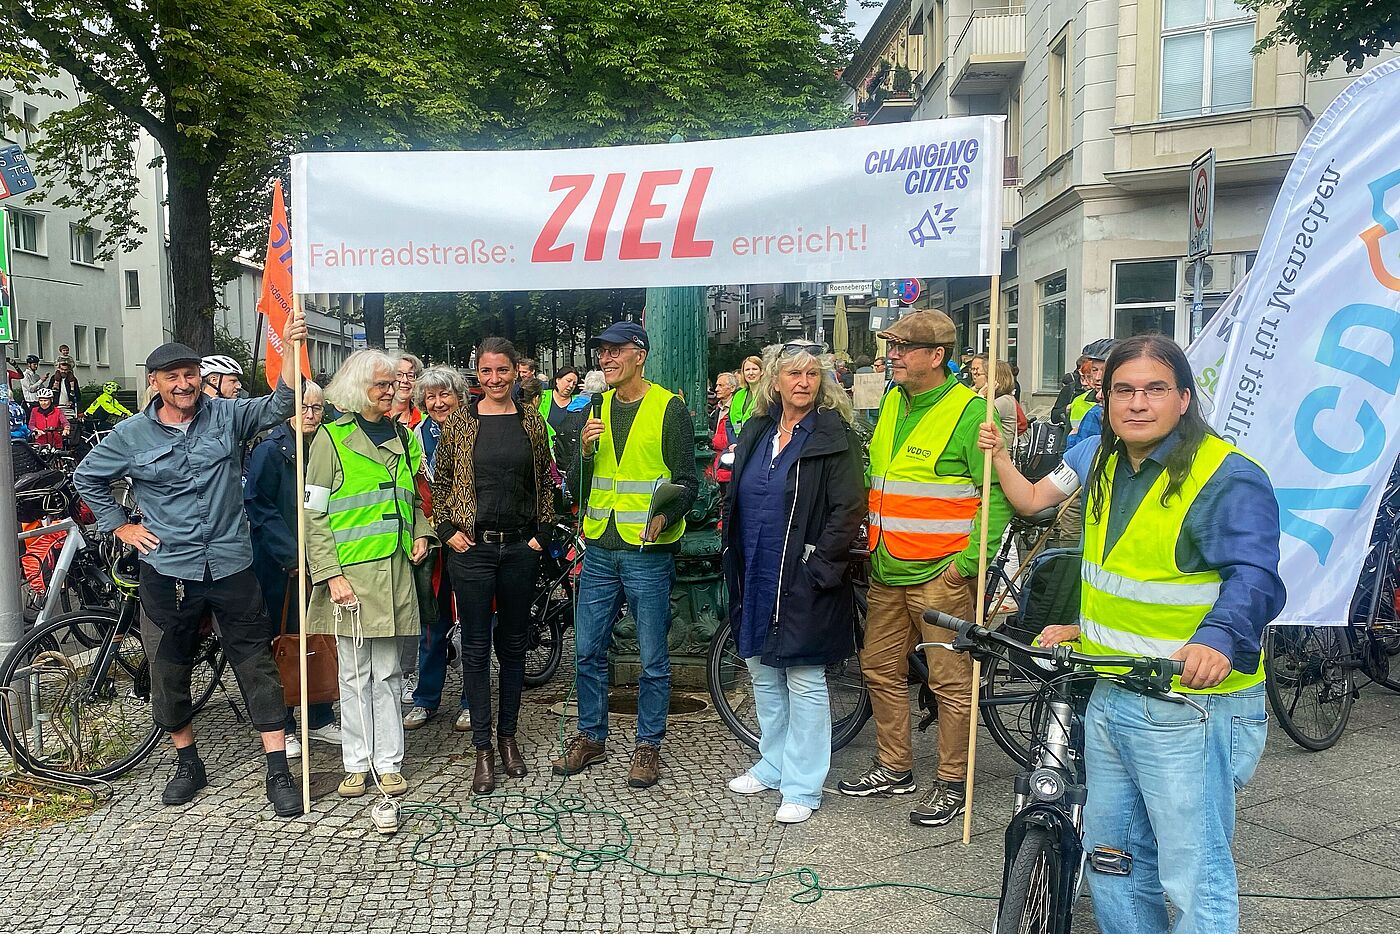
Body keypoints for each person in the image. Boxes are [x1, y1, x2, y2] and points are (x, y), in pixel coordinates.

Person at [977, 333, 1283, 934]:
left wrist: (1219, 638)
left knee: (1193, 874)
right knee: (1111, 859)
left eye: (1154, 389)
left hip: (1188, 703)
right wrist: (1086, 627)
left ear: (1185, 398)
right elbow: (1129, 573)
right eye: (1123, 390)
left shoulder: (1226, 476)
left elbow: (1256, 577)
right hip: (1111, 689)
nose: (1137, 403)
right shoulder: (1101, 459)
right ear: (1106, 398)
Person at [72, 309, 309, 818]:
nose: (183, 384)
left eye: (190, 374)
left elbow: (283, 403)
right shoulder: (130, 436)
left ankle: (277, 770)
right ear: (154, 383)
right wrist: (119, 525)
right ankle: (187, 762)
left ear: (200, 377)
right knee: (169, 668)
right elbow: (87, 477)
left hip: (232, 565)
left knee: (256, 664)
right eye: (172, 377)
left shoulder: (227, 415)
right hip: (169, 569)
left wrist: (292, 347)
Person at [837, 310, 1012, 829]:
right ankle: (895, 767)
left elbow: (996, 497)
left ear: (937, 356)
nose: (892, 356)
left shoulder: (970, 413)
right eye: (891, 346)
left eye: (903, 348)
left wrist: (966, 566)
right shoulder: (894, 399)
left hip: (941, 575)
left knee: (950, 683)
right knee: (878, 668)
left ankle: (952, 783)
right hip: (888, 566)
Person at [722, 340, 865, 824]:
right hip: (755, 565)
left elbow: (848, 508)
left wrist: (820, 565)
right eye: (793, 374)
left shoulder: (833, 435)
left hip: (803, 573)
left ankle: (803, 785)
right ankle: (773, 763)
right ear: (775, 380)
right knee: (761, 671)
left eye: (811, 374)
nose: (803, 383)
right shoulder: (759, 428)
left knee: (804, 678)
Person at [555, 321, 697, 788]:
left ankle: (648, 744)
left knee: (653, 656)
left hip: (646, 551)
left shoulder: (668, 408)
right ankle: (591, 736)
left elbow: (687, 481)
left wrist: (666, 516)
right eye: (602, 352)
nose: (606, 359)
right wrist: (583, 451)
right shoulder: (593, 408)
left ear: (640, 354)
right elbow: (577, 485)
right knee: (587, 650)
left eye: (616, 350)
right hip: (599, 546)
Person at [302, 349, 433, 800]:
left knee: (389, 672)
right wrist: (330, 574)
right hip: (351, 578)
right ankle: (356, 764)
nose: (392, 390)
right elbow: (313, 516)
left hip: (395, 572)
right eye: (382, 384)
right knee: (354, 674)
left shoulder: (403, 436)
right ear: (359, 388)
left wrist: (421, 533)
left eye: (393, 383)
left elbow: (412, 499)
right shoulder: (330, 439)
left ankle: (389, 762)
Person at [432, 339, 556, 794]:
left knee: (515, 645)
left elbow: (545, 479)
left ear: (516, 372)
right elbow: (441, 481)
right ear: (477, 374)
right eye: (486, 371)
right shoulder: (461, 422)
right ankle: (482, 747)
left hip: (520, 547)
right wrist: (446, 528)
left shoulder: (531, 421)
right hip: (473, 549)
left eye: (502, 370)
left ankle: (508, 737)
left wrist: (543, 533)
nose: (494, 379)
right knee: (476, 646)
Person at [243, 380, 342, 759]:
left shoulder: (327, 442)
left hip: (320, 556)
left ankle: (319, 714)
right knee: (282, 642)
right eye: (303, 407)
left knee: (318, 635)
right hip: (279, 564)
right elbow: (259, 506)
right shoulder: (270, 450)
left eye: (317, 408)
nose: (310, 414)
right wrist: (290, 556)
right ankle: (283, 723)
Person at [403, 366, 469, 732]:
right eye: (431, 397)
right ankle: (426, 699)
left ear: (459, 397)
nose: (438, 403)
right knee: (431, 624)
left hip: (469, 539)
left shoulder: (475, 429)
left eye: (445, 395)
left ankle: (472, 700)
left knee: (473, 624)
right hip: (431, 541)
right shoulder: (414, 436)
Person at [967, 354, 1020, 450]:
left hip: (998, 454)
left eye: (979, 374)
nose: (975, 377)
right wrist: (973, 390)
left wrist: (980, 395)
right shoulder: (992, 399)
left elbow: (975, 417)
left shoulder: (1004, 401)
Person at [540, 366, 579, 453]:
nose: (571, 386)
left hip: (568, 454)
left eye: (574, 384)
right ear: (557, 380)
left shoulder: (578, 402)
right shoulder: (542, 397)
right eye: (568, 381)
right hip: (543, 451)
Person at [1050, 350, 1094, 425]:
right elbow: (1054, 417)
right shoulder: (1070, 389)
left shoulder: (1102, 393)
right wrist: (1068, 408)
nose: (1085, 383)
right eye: (1083, 377)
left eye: (1089, 377)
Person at [729, 356, 761, 437]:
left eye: (754, 369)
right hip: (737, 440)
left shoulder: (768, 394)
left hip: (758, 440)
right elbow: (729, 423)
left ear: (762, 371)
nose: (751, 373)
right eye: (747, 370)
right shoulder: (738, 394)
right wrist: (734, 441)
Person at [390, 352, 424, 428]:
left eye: (410, 375)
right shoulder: (377, 417)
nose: (405, 380)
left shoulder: (424, 420)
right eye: (399, 375)